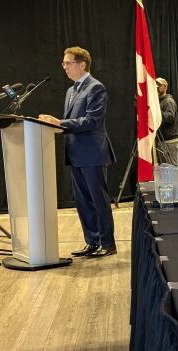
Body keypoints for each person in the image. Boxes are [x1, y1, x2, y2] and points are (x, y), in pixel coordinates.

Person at [39, 46, 116, 258]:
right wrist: (53, 125)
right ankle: (91, 241)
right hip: (75, 153)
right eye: (63, 63)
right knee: (82, 201)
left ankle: (107, 244)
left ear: (82, 65)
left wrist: (60, 122)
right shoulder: (71, 90)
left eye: (67, 63)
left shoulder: (96, 88)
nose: (64, 67)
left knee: (97, 200)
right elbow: (72, 123)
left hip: (92, 154)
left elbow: (92, 120)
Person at [155, 77, 178, 165]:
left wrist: (158, 112)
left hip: (170, 142)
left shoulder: (168, 101)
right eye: (156, 86)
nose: (157, 87)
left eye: (159, 85)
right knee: (165, 170)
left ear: (165, 87)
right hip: (162, 141)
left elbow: (170, 118)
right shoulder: (159, 102)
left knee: (172, 168)